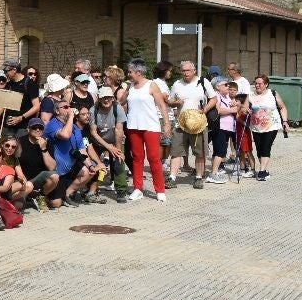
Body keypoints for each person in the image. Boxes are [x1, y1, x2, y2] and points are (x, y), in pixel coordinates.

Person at [119, 59, 173, 203]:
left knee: (154, 158)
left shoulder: (152, 85)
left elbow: (162, 105)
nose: (128, 74)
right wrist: (126, 89)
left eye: (130, 72)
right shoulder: (130, 86)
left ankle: (160, 190)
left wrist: (166, 124)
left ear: (139, 72)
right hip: (133, 125)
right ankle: (138, 188)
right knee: (137, 157)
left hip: (151, 126)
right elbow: (121, 102)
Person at [167, 61, 217, 189]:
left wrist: (205, 109)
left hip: (198, 123)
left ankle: (199, 177)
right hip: (181, 124)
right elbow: (170, 101)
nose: (185, 73)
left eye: (188, 70)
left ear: (194, 70)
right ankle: (172, 177)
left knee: (199, 152)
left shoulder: (203, 82)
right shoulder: (177, 84)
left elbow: (214, 99)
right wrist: (175, 103)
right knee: (176, 152)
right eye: (183, 71)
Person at [43, 97, 97, 207]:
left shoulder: (75, 128)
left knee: (89, 171)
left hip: (71, 167)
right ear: (57, 111)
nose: (69, 109)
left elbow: (82, 149)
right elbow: (65, 135)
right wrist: (72, 116)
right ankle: (43, 195)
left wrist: (90, 165)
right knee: (55, 204)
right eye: (66, 107)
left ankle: (67, 194)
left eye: (70, 107)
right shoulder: (52, 124)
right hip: (58, 171)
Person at [90, 84, 129, 200]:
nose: (106, 100)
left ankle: (121, 190)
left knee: (119, 161)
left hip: (115, 139)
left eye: (108, 97)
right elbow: (93, 132)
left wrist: (117, 149)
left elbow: (119, 130)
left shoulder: (118, 109)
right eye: (103, 98)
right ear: (99, 98)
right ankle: (91, 188)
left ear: (112, 98)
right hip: (98, 140)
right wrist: (108, 147)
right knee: (93, 163)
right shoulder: (94, 110)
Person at [245, 75, 288, 181]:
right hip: (256, 127)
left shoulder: (272, 93)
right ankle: (264, 170)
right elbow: (244, 107)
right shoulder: (250, 95)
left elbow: (282, 107)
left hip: (271, 125)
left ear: (266, 84)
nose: (257, 85)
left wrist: (285, 122)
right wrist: (246, 110)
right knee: (259, 149)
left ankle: (262, 171)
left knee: (266, 146)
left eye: (260, 83)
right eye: (256, 83)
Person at [17, 117, 59, 209]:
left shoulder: (47, 143)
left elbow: (52, 168)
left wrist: (43, 149)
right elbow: (15, 161)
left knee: (55, 176)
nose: (37, 130)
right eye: (34, 127)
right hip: (23, 179)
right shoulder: (20, 141)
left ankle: (40, 196)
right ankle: (28, 197)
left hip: (38, 179)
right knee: (19, 206)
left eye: (40, 128)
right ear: (28, 129)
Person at [206, 78, 240, 183]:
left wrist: (237, 105)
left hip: (229, 128)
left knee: (221, 151)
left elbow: (236, 108)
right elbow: (218, 110)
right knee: (220, 151)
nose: (228, 86)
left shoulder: (227, 97)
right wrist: (232, 110)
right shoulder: (216, 96)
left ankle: (215, 171)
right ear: (217, 87)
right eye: (225, 85)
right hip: (220, 127)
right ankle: (213, 174)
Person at [0, 58, 41, 137]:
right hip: (8, 127)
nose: (5, 74)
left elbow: (36, 107)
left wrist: (20, 118)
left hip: (23, 127)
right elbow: (2, 105)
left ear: (14, 70)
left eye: (6, 71)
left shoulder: (29, 83)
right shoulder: (8, 85)